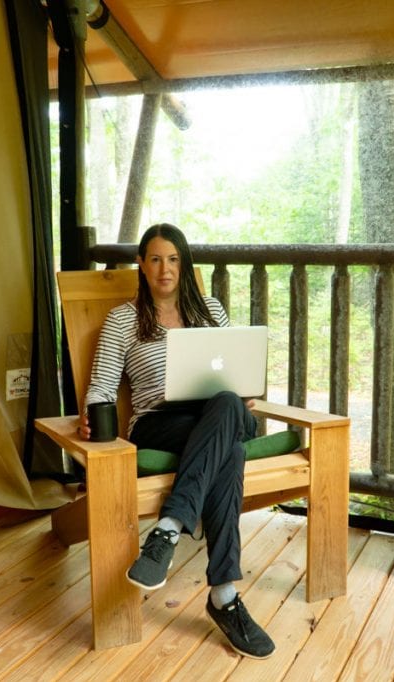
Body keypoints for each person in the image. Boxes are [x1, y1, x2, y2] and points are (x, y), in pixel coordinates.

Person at [78, 223, 275, 659]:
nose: (164, 269)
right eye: (154, 259)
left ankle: (167, 530)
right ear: (142, 266)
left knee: (226, 403)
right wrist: (90, 419)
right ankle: (224, 596)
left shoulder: (210, 308)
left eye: (173, 259)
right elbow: (101, 387)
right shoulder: (123, 319)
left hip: (220, 412)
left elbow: (239, 377)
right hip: (159, 422)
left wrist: (247, 391)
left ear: (183, 265)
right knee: (229, 453)